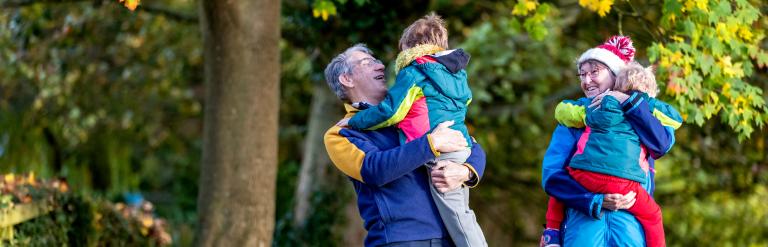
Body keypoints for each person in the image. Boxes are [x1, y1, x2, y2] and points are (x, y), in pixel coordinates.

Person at [335, 13, 485, 247]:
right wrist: (431, 144)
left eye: (376, 59)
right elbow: (375, 170)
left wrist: (465, 171)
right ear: (346, 79)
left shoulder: (413, 106)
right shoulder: (342, 131)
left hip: (448, 236)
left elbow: (471, 145)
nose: (380, 64)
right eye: (366, 62)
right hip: (402, 240)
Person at [540, 36, 682, 247]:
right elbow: (552, 178)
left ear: (615, 74)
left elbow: (663, 144)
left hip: (630, 230)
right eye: (582, 75)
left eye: (594, 72)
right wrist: (593, 201)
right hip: (582, 230)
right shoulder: (574, 119)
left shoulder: (642, 115)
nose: (586, 81)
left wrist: (631, 104)